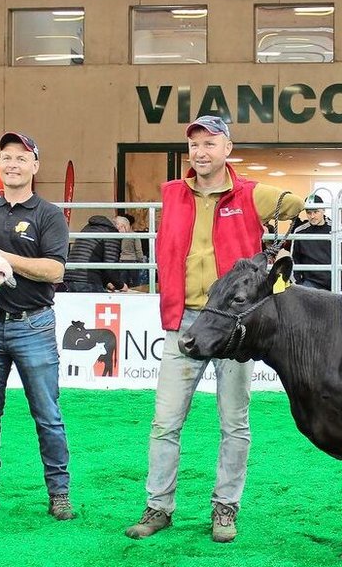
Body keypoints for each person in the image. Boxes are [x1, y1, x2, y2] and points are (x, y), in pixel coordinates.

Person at [125, 115, 303, 543]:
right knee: (165, 422)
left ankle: (226, 508)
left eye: (210, 143)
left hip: (234, 328)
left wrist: (277, 229)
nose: (200, 152)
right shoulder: (172, 193)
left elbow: (298, 204)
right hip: (184, 319)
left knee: (234, 422)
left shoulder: (249, 193)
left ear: (227, 149)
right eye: (195, 145)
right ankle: (158, 506)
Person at [0, 131, 76, 521]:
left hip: (34, 326)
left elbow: (54, 270)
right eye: (6, 157)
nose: (12, 164)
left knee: (47, 413)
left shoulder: (48, 214)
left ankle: (59, 494)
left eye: (21, 158)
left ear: (35, 167)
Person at [290, 196, 342, 290]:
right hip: (311, 282)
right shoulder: (299, 232)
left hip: (338, 280)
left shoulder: (338, 229)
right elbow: (294, 258)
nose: (312, 216)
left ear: (323, 210)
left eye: (316, 212)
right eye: (309, 213)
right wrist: (297, 282)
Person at [63, 214, 124, 292]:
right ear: (121, 227)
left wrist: (107, 283)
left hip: (69, 277)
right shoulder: (111, 233)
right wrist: (120, 285)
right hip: (87, 280)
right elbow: (110, 266)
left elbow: (93, 256)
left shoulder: (87, 228)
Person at [114, 213, 148, 288]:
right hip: (133, 261)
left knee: (123, 282)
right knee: (135, 282)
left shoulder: (120, 236)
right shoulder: (135, 235)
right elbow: (138, 249)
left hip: (122, 260)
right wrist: (141, 260)